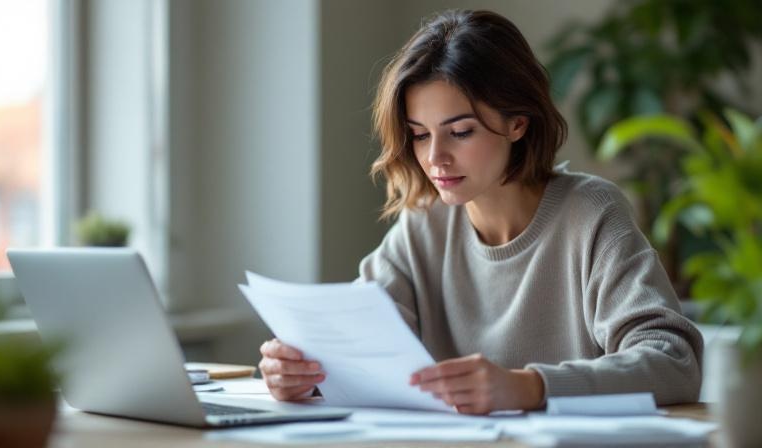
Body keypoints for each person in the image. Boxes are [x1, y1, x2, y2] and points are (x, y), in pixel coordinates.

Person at [257, 9, 703, 415]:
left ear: (517, 122)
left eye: (461, 132)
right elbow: (356, 350)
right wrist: (304, 375)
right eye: (419, 135)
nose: (435, 158)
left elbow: (673, 361)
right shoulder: (423, 224)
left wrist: (530, 387)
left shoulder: (591, 213)